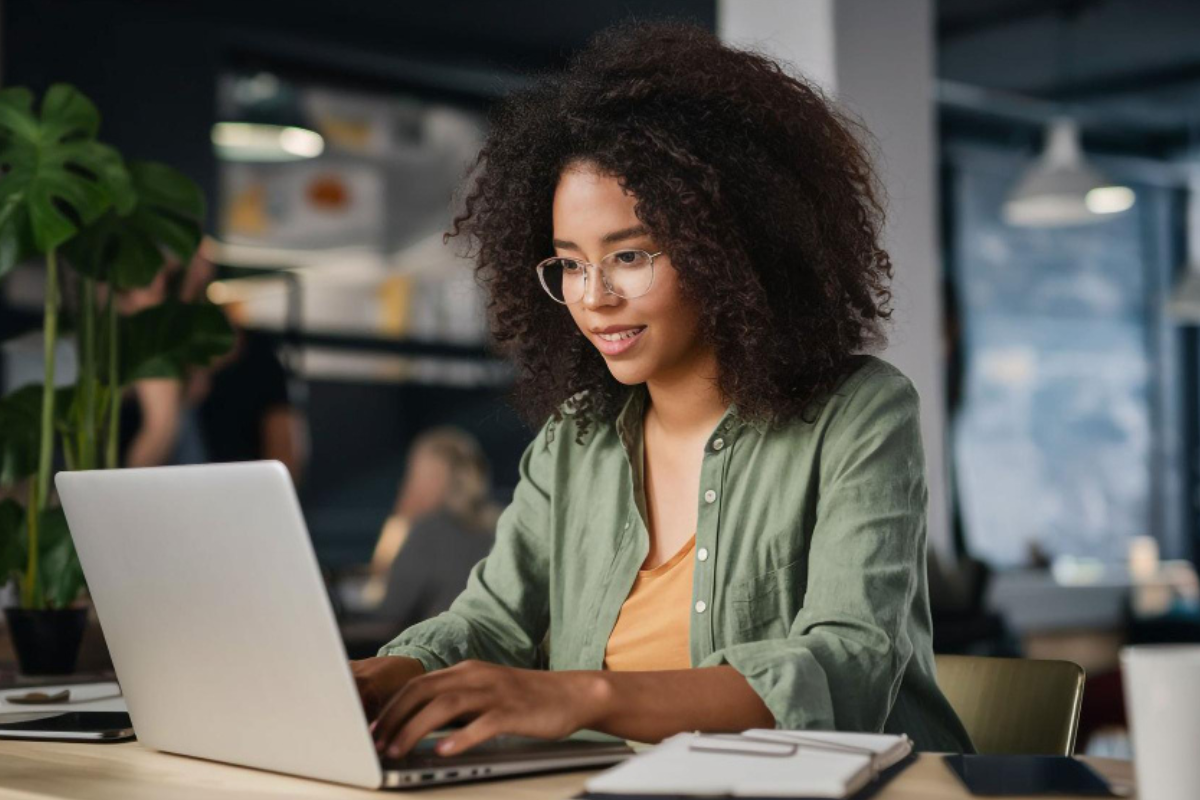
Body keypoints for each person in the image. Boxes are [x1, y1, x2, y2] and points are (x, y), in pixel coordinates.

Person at [352, 21, 973, 758]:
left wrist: (584, 695)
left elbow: (847, 665)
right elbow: (488, 625)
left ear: (730, 249)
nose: (594, 297)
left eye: (631, 255)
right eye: (571, 265)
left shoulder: (858, 414)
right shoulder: (576, 436)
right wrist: (378, 676)